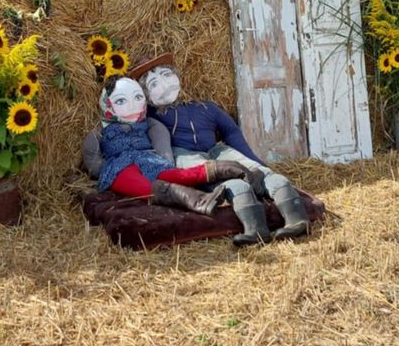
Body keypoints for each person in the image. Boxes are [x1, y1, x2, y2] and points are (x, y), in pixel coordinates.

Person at [129, 54, 311, 246]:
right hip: (184, 154)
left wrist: (255, 161)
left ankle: (297, 220)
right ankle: (256, 230)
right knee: (230, 183)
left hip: (218, 149)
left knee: (263, 173)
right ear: (146, 96)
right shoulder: (152, 116)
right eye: (154, 84)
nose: (165, 85)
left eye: (167, 75)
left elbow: (231, 131)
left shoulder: (205, 107)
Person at [82, 74, 266, 217]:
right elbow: (92, 155)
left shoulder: (151, 124)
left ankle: (229, 168)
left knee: (175, 175)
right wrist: (101, 169)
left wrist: (165, 159)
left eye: (137, 97)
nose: (131, 105)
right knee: (139, 185)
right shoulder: (101, 131)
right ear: (107, 105)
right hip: (119, 165)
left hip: (148, 158)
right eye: (121, 101)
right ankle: (200, 200)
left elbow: (161, 140)